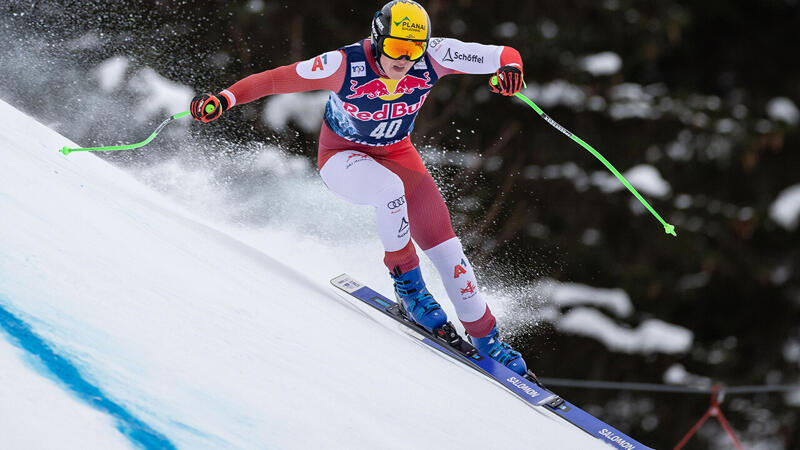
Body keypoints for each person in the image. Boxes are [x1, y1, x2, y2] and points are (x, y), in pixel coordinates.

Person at [190, 0, 528, 375]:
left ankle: (488, 338)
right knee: (389, 190)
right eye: (397, 48)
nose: (405, 59)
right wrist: (226, 98)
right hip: (341, 159)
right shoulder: (344, 65)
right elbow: (276, 79)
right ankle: (410, 289)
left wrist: (510, 70)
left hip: (399, 154)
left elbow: (502, 54)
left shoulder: (434, 56)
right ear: (378, 39)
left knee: (448, 249)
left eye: (414, 49)